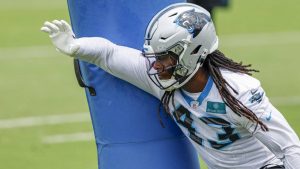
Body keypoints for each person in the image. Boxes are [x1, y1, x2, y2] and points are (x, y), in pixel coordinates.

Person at [41, 3, 300, 169]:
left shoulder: (239, 92)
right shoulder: (162, 79)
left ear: (193, 52)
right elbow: (108, 54)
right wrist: (76, 47)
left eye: (165, 57)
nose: (156, 65)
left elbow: (289, 147)